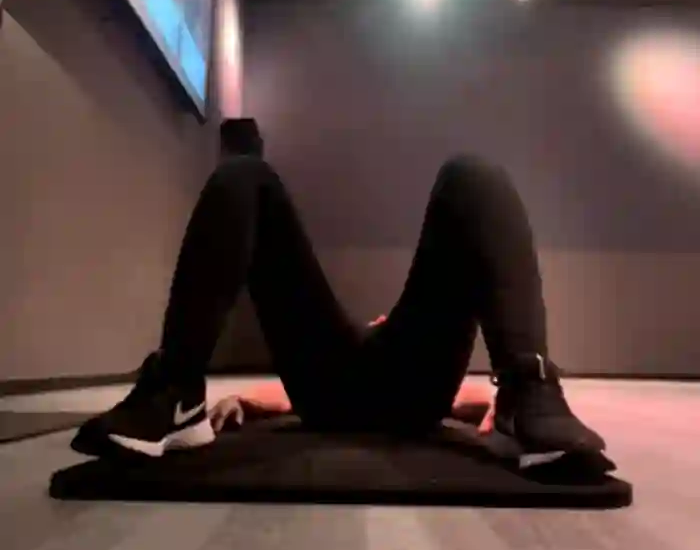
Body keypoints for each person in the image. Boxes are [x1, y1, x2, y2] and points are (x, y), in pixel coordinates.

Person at [72, 118, 605, 460]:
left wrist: (491, 397)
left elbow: (462, 395)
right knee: (244, 175)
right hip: (342, 388)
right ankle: (175, 390)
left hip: (404, 392)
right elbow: (291, 390)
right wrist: (248, 399)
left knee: (473, 175)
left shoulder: (412, 348)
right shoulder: (338, 349)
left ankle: (528, 388)